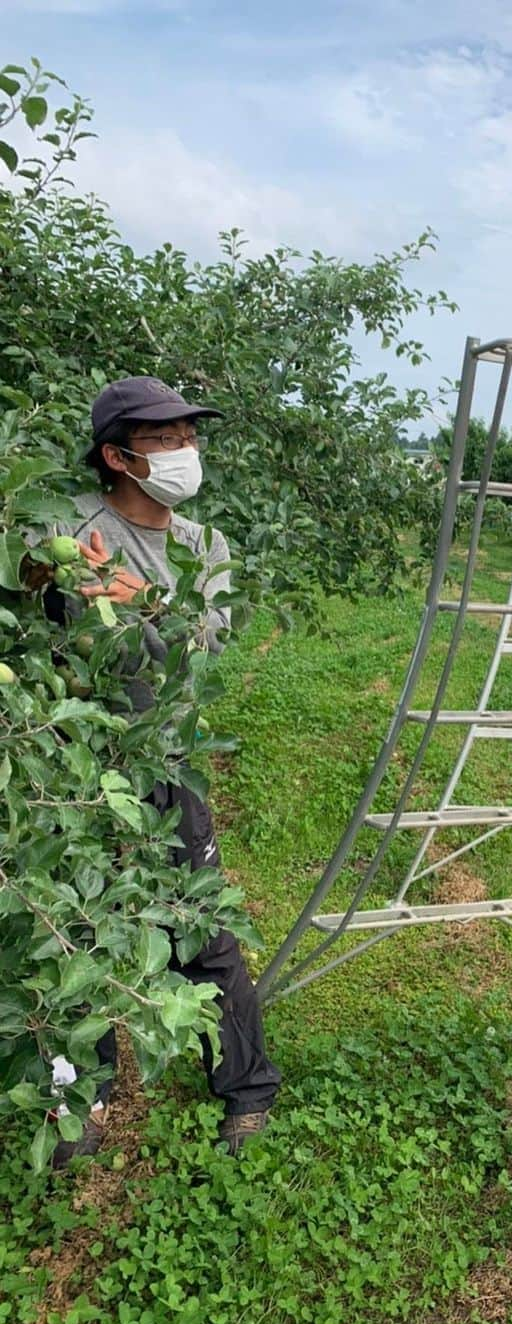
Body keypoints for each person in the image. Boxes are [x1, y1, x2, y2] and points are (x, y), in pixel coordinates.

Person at [50, 377, 281, 1165]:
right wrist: (41, 578)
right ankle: (80, 1089)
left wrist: (140, 597)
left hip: (167, 754)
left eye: (188, 434)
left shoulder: (202, 545)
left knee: (200, 918)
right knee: (67, 921)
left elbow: (204, 651)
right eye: (163, 438)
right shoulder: (70, 532)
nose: (185, 450)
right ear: (116, 456)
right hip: (73, 765)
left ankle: (247, 1088)